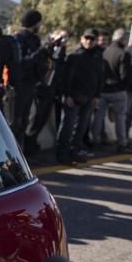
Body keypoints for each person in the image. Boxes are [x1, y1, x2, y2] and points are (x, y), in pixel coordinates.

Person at [55, 28, 104, 165]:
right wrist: (67, 95)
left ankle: (75, 152)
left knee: (81, 128)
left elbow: (100, 77)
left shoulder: (98, 56)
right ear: (82, 39)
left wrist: (97, 96)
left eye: (92, 39)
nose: (89, 41)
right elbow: (65, 78)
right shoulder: (74, 56)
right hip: (74, 97)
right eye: (86, 38)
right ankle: (62, 155)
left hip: (89, 98)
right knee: (67, 127)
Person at [93, 28, 132, 153]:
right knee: (120, 118)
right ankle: (122, 143)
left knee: (98, 118)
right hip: (117, 91)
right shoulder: (123, 53)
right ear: (123, 40)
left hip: (102, 90)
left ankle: (96, 141)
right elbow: (124, 75)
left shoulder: (104, 51)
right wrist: (125, 86)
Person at [10, 9, 47, 149]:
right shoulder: (18, 39)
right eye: (39, 23)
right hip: (19, 86)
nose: (40, 26)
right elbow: (21, 63)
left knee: (24, 122)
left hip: (30, 85)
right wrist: (38, 54)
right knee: (16, 121)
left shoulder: (35, 39)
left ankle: (21, 153)